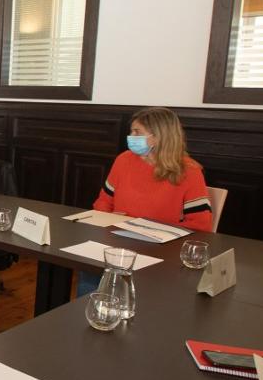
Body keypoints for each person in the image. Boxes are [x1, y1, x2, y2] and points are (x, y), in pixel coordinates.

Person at [77, 107, 213, 294]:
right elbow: (103, 202)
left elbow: (201, 226)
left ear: (158, 136)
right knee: (90, 271)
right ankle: (96, 315)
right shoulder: (124, 160)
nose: (131, 137)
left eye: (137, 132)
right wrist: (108, 220)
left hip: (162, 251)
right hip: (117, 240)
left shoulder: (189, 171)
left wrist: (148, 228)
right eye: (131, 131)